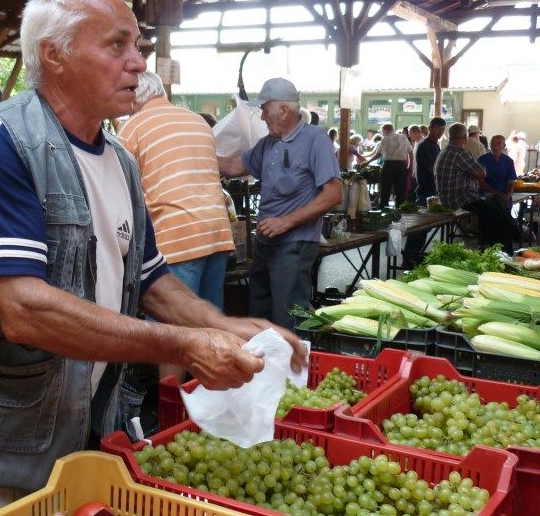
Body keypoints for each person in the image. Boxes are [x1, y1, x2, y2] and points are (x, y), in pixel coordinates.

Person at [0, 0, 307, 516]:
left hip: (73, 440)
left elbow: (151, 280)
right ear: (56, 54)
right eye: (118, 44)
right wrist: (184, 345)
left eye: (136, 45)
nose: (138, 62)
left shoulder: (120, 161)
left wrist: (223, 325)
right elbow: (24, 309)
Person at [117, 71, 235, 381]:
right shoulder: (197, 121)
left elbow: (122, 189)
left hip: (177, 236)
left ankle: (173, 413)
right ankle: (209, 404)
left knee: (174, 334)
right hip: (217, 234)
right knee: (209, 325)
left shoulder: (133, 128)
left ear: (136, 96)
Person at [218, 78, 342, 330]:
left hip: (294, 243)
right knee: (260, 310)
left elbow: (333, 194)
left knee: (288, 315)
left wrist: (286, 222)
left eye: (264, 109)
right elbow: (233, 167)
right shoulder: (268, 143)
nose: (262, 117)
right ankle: (265, 367)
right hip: (266, 242)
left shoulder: (315, 140)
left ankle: (292, 368)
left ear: (283, 110)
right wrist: (193, 150)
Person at [435, 123, 516, 253]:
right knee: (497, 213)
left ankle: (488, 245)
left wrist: (472, 174)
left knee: (496, 206)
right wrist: (473, 174)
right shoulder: (460, 152)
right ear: (464, 137)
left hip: (447, 197)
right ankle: (504, 252)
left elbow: (476, 174)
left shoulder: (445, 150)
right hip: (459, 198)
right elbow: (481, 174)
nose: (495, 147)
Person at [362, 122, 413, 208]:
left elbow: (378, 154)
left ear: (386, 130)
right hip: (401, 165)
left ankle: (384, 208)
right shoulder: (403, 137)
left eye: (382, 131)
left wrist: (367, 162)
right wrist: (410, 165)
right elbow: (410, 152)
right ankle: (400, 209)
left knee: (385, 189)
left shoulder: (384, 139)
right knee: (400, 189)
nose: (382, 133)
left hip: (389, 165)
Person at [478, 134, 517, 205]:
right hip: (486, 197)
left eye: (498, 144)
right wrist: (497, 194)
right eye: (493, 144)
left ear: (504, 146)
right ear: (490, 145)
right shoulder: (482, 160)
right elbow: (480, 182)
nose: (495, 146)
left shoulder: (508, 161)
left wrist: (507, 195)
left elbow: (511, 182)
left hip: (504, 197)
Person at [415, 117, 444, 204]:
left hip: (434, 187)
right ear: (430, 128)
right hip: (426, 189)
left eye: (443, 129)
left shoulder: (436, 145)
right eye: (438, 128)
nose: (441, 132)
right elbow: (432, 168)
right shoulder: (424, 146)